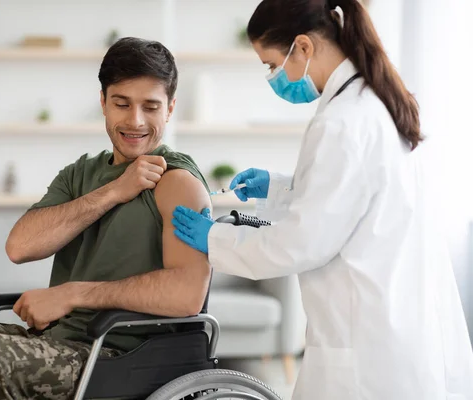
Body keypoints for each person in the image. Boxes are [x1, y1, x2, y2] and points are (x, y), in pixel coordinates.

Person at [0, 37, 212, 399]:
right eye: (121, 103)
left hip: (123, 354)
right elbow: (20, 247)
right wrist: (114, 191)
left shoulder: (177, 183)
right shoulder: (79, 175)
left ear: (170, 108)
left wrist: (72, 294)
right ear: (102, 103)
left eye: (151, 106)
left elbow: (187, 293)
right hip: (59, 342)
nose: (135, 120)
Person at [172, 0, 473, 399]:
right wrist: (279, 188)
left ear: (303, 47)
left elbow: (302, 243)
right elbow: (350, 202)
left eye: (270, 64)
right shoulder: (372, 103)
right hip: (395, 330)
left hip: (368, 349)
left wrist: (215, 240)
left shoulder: (342, 122)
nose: (272, 77)